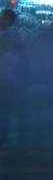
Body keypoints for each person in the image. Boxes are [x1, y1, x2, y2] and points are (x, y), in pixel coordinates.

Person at [0, 9, 19, 146]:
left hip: (5, 77)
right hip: (7, 77)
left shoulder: (9, 36)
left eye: (1, 17)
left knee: (4, 108)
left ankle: (3, 137)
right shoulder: (11, 35)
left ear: (7, 20)